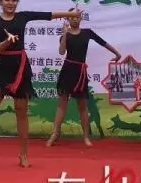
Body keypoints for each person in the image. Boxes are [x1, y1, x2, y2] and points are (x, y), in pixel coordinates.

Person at [0, 0, 81, 168]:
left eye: (14, 0)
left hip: (20, 68)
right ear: (0, 2)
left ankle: (23, 154)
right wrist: (8, 40)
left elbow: (48, 15)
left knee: (21, 111)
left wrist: (70, 13)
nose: (10, 3)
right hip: (2, 68)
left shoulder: (23, 17)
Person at [46, 10, 120, 147]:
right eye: (72, 17)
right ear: (68, 19)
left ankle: (86, 137)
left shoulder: (87, 33)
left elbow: (102, 42)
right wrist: (64, 34)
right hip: (67, 71)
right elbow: (61, 52)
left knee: (82, 106)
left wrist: (117, 53)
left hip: (80, 73)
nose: (75, 19)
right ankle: (55, 134)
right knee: (61, 105)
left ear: (80, 18)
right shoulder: (65, 34)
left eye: (77, 17)